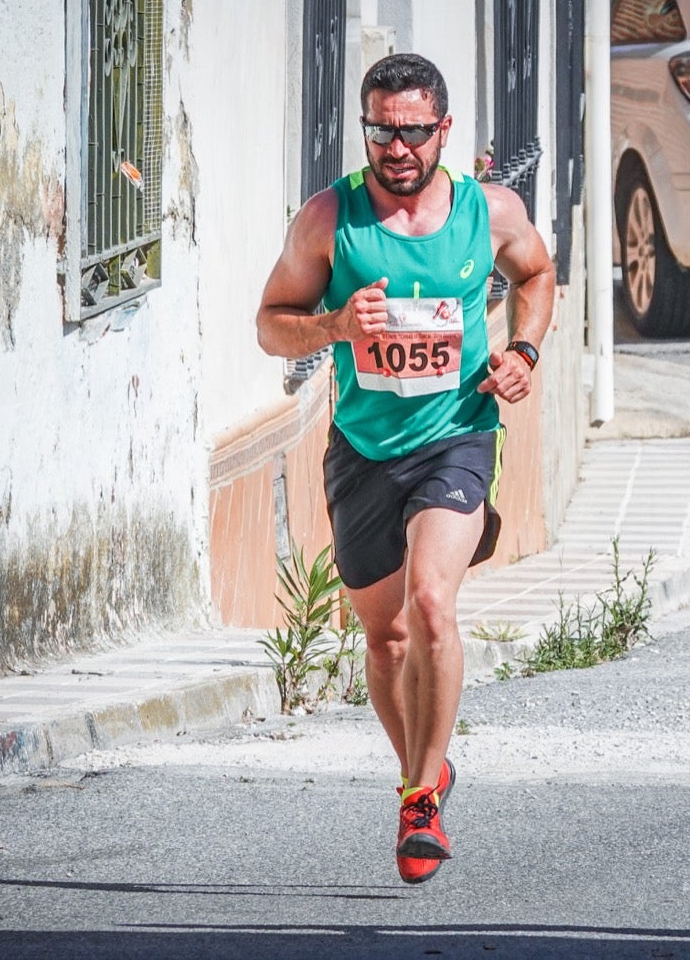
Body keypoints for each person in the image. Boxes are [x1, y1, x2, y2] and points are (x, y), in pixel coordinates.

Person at [257, 53, 555, 885]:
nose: (397, 147)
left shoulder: (486, 210)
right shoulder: (329, 220)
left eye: (413, 131)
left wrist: (525, 350)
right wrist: (333, 326)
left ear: (443, 132)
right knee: (384, 640)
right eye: (382, 129)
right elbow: (270, 324)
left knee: (431, 602)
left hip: (457, 432)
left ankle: (421, 798)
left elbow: (536, 273)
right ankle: (421, 773)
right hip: (361, 448)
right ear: (366, 129)